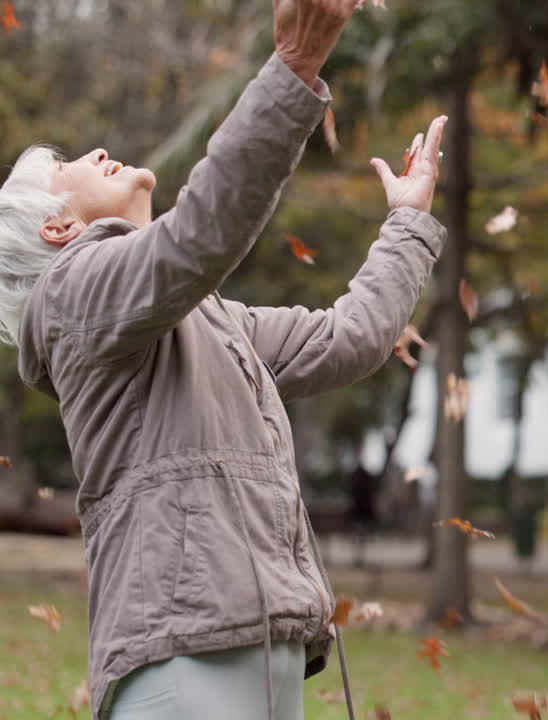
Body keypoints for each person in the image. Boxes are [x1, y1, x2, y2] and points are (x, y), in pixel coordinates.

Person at [0, 1, 450, 717]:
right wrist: (294, 68)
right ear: (57, 229)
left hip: (262, 646)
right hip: (182, 654)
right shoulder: (75, 296)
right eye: (64, 168)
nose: (93, 153)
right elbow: (201, 233)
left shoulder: (205, 320)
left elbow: (347, 339)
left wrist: (407, 223)